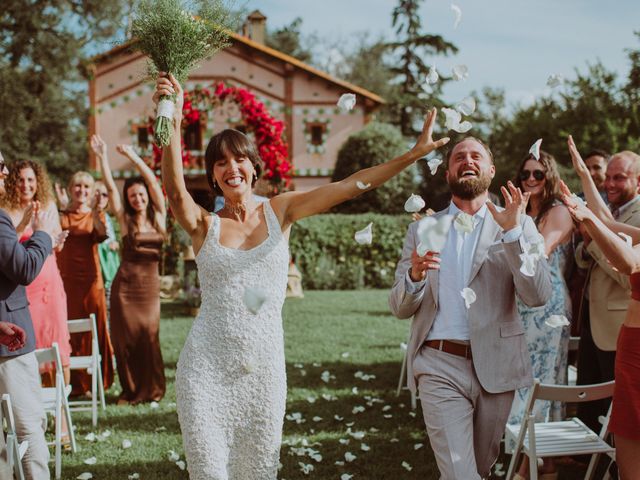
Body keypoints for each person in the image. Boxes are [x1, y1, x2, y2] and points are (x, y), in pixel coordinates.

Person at [154, 72, 449, 479]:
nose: (230, 168)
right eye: (220, 163)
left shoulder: (281, 210)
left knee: (258, 472)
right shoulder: (205, 226)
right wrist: (172, 116)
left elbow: (350, 186)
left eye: (238, 158)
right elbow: (173, 191)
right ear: (213, 176)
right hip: (205, 370)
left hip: (265, 371)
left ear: (253, 168)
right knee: (208, 472)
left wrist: (412, 156)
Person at [389, 136, 552, 479]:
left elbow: (537, 295)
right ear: (447, 173)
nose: (467, 160)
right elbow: (400, 307)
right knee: (461, 474)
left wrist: (512, 237)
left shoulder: (518, 224)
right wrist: (415, 276)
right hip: (438, 365)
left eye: (476, 155)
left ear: (490, 170)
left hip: (496, 366)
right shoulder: (425, 229)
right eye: (459, 156)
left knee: (479, 468)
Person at [559, 141, 640, 479]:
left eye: (619, 177)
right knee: (628, 439)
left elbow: (626, 262)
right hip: (633, 345)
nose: (610, 183)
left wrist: (590, 225)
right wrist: (583, 177)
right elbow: (608, 221)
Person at [507, 150, 574, 478]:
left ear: (549, 177)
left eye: (538, 174)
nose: (530, 180)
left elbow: (541, 251)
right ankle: (541, 463)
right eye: (525, 175)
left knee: (542, 379)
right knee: (523, 379)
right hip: (520, 307)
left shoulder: (559, 212)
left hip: (548, 310)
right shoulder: (522, 216)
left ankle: (528, 465)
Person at [90, 134, 167, 405]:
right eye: (132, 196)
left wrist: (134, 158)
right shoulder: (124, 220)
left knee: (149, 336)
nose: (137, 199)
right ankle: (131, 390)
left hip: (149, 288)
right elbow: (111, 190)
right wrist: (102, 157)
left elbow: (156, 185)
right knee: (126, 341)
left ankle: (153, 389)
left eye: (141, 194)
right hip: (125, 287)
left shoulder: (159, 217)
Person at [0, 149, 59, 479]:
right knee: (27, 427)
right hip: (8, 343)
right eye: (1, 167)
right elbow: (23, 267)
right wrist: (43, 235)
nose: (5, 174)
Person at [0, 160, 72, 387]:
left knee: (57, 340)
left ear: (37, 182)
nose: (26, 184)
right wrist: (24, 225)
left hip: (48, 279)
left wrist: (55, 240)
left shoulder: (48, 205)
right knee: (33, 341)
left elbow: (55, 242)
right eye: (21, 179)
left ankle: (61, 410)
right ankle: (34, 396)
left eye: (30, 179)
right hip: (25, 286)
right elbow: (8, 248)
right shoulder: (6, 209)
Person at [57, 171, 114, 395]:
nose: (82, 190)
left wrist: (98, 210)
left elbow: (102, 236)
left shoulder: (94, 215)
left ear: (91, 192)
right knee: (71, 330)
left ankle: (95, 382)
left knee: (94, 329)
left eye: (87, 187)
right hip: (67, 281)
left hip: (92, 282)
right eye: (78, 186)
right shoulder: (61, 215)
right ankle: (75, 383)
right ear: (71, 189)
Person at [95, 180, 120, 308]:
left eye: (104, 195)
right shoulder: (89, 215)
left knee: (111, 306)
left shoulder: (107, 217)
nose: (100, 198)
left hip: (110, 267)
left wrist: (114, 243)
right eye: (96, 193)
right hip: (98, 269)